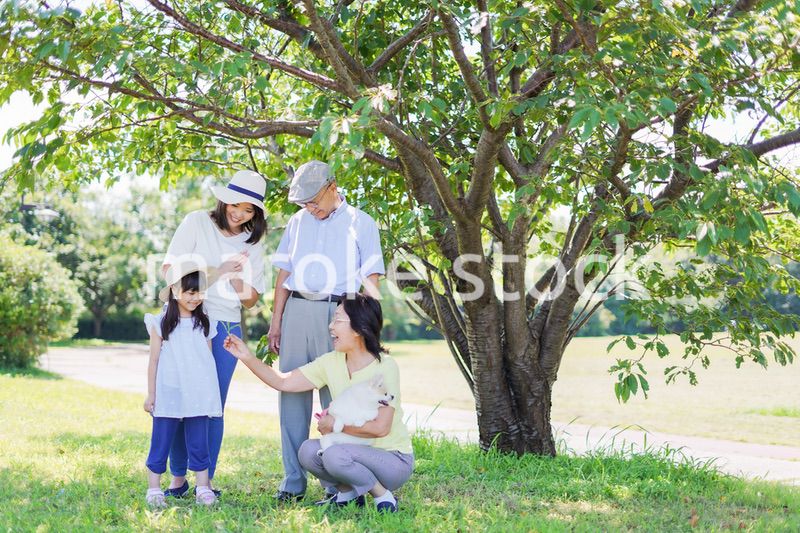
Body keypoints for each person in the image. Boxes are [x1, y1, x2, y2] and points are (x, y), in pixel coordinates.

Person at [225, 294, 413, 513]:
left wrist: (335, 426)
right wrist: (246, 357)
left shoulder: (385, 366)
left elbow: (381, 428)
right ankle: (348, 495)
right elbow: (283, 382)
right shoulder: (331, 362)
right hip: (351, 452)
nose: (331, 326)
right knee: (308, 451)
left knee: (333, 454)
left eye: (338, 320)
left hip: (392, 460)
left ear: (359, 328)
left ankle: (383, 496)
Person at [268, 160, 386, 502]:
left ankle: (337, 485)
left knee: (337, 399)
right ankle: (293, 481)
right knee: (291, 395)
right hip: (296, 310)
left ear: (332, 187)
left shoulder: (361, 222)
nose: (309, 207)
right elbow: (284, 274)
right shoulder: (297, 222)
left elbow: (371, 279)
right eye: (303, 202)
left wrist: (366, 328)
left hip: (341, 313)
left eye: (313, 200)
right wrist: (276, 320)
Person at [160, 169, 267, 498]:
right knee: (180, 403)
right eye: (235, 205)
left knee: (211, 406)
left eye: (249, 210)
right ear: (224, 201)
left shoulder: (253, 241)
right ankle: (177, 480)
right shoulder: (196, 222)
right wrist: (218, 271)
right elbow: (169, 272)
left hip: (226, 327)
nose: (239, 214)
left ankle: (205, 483)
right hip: (187, 321)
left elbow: (251, 300)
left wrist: (236, 279)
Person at [143, 264, 221, 507]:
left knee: (199, 440)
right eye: (190, 292)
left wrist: (210, 393)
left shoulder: (205, 322)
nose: (195, 298)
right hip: (169, 391)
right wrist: (151, 394)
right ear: (175, 290)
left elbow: (208, 362)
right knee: (161, 439)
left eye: (200, 293)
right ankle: (154, 488)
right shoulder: (160, 323)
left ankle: (202, 487)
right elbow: (154, 361)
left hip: (198, 392)